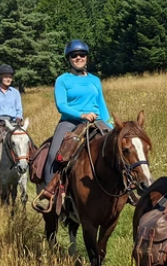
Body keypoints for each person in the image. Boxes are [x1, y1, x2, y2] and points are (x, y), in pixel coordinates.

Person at [32, 40, 113, 213]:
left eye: (82, 55)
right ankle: (49, 194)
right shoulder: (63, 80)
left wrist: (110, 125)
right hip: (70, 122)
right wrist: (81, 114)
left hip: (96, 121)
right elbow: (61, 105)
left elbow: (101, 103)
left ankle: (124, 190)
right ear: (69, 59)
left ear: (87, 57)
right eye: (74, 55)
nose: (78, 58)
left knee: (119, 149)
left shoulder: (95, 80)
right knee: (55, 154)